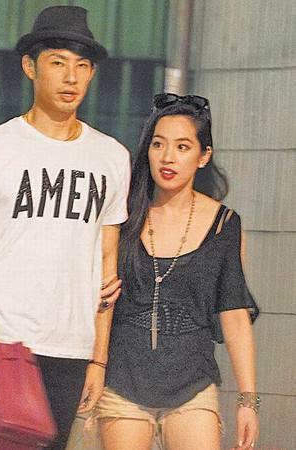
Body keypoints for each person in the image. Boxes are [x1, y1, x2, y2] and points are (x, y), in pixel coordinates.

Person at [0, 6, 130, 450]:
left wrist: (98, 359)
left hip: (71, 348)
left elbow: (107, 264)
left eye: (82, 65)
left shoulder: (112, 157)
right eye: (58, 62)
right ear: (30, 66)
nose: (71, 77)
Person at [96, 93, 260, 450]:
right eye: (158, 144)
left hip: (193, 384)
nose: (168, 157)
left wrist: (248, 400)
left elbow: (234, 314)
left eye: (182, 147)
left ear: (204, 156)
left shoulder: (224, 224)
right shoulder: (121, 214)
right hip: (122, 381)